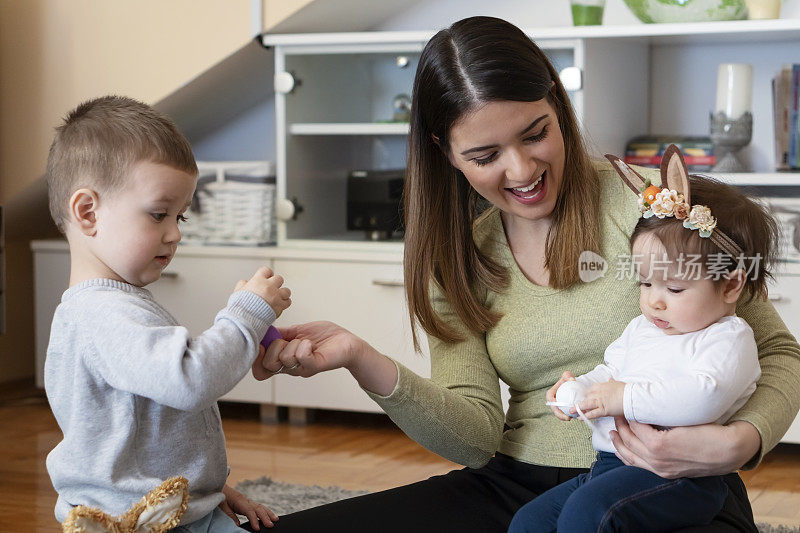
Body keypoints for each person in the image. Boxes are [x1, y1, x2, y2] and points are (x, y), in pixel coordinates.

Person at [253, 16, 800, 532]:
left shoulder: (655, 210)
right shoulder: (460, 258)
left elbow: (779, 352)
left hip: (672, 481)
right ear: (447, 154)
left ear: (557, 106)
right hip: (521, 486)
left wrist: (739, 442)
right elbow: (473, 436)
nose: (521, 171)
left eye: (535, 134)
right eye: (486, 154)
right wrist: (359, 357)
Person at [44, 96, 290, 532]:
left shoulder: (115, 304)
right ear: (87, 212)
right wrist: (246, 316)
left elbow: (142, 438)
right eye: (159, 214)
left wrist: (210, 493)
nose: (174, 234)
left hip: (167, 509)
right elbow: (188, 379)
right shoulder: (102, 314)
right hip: (143, 523)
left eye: (181, 217)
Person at [507, 157, 776, 532]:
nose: (654, 301)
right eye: (645, 283)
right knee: (530, 521)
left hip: (682, 479)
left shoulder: (728, 339)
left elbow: (703, 396)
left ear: (730, 285)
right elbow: (611, 372)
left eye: (675, 288)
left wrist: (620, 399)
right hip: (610, 466)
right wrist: (581, 388)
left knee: (589, 517)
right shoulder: (642, 329)